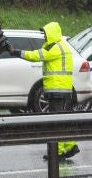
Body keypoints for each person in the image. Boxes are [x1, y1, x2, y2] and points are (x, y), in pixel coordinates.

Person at [12, 22, 78, 160]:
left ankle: (57, 152)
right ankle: (70, 146)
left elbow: (36, 55)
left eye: (46, 34)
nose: (45, 37)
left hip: (58, 90)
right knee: (62, 120)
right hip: (62, 90)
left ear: (52, 33)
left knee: (56, 123)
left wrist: (17, 52)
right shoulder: (61, 46)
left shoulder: (55, 48)